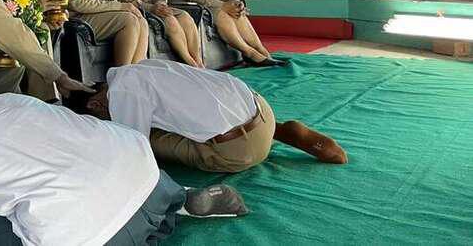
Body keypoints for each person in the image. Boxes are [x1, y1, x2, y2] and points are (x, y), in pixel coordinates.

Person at [0, 92, 248, 246]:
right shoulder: (3, 100)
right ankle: (182, 199)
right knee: (79, 151)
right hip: (148, 177)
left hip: (89, 232)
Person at [68, 60, 348, 174]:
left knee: (140, 140)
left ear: (95, 103)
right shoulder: (142, 66)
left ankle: (259, 140)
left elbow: (132, 147)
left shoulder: (122, 91)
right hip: (262, 111)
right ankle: (284, 130)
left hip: (239, 151)